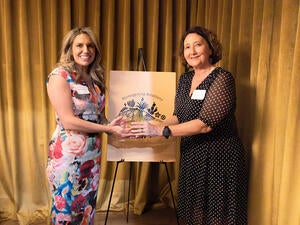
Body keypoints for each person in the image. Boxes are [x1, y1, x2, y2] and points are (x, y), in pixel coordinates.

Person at [130, 26, 248, 224]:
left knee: (217, 215)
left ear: (210, 48)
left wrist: (161, 130)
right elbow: (178, 116)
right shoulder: (185, 80)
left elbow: (205, 124)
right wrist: (151, 127)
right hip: (192, 154)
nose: (192, 51)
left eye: (197, 45)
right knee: (194, 212)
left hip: (219, 158)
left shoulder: (222, 78)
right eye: (187, 47)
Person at [46, 27, 129, 225]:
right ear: (70, 49)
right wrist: (108, 129)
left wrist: (115, 126)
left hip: (92, 157)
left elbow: (99, 117)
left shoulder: (94, 79)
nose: (86, 50)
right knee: (66, 211)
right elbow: (68, 120)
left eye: (90, 45)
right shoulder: (60, 76)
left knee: (86, 211)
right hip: (67, 157)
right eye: (80, 45)